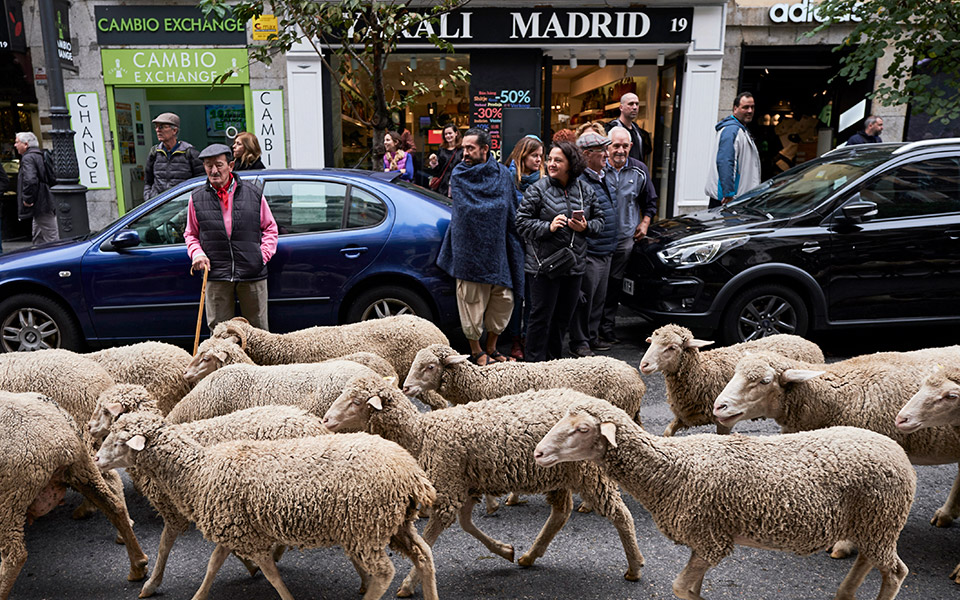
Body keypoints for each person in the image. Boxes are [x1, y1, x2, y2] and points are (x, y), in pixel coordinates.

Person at [437, 128, 525, 366]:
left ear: (485, 149)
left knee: (504, 300)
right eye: (463, 148)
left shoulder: (503, 175)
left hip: (500, 249)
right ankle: (476, 351)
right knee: (471, 303)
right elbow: (468, 211)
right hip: (470, 248)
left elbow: (509, 209)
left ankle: (492, 347)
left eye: (470, 148)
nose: (464, 153)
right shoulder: (460, 174)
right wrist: (492, 214)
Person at [517, 140, 603, 362]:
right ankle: (533, 366)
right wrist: (549, 227)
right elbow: (522, 223)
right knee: (540, 318)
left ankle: (554, 364)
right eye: (550, 159)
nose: (551, 163)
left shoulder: (586, 190)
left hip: (573, 265)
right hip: (543, 267)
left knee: (562, 319)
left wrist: (586, 227)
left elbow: (601, 222)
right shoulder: (538, 189)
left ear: (570, 164)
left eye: (558, 160)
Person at [183, 143, 278, 332]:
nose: (214, 170)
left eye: (219, 164)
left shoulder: (253, 193)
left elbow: (270, 228)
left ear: (231, 166)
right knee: (219, 332)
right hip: (216, 273)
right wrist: (197, 254)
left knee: (258, 332)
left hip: (252, 272)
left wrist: (261, 256)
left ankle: (256, 363)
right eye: (209, 166)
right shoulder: (197, 197)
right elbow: (191, 234)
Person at [598, 126, 658, 346]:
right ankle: (590, 331)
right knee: (596, 287)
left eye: (625, 146)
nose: (620, 150)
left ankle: (607, 328)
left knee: (614, 286)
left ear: (631, 147)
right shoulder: (599, 169)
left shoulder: (639, 170)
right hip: (599, 240)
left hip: (625, 239)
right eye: (616, 146)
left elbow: (650, 201)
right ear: (608, 146)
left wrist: (645, 222)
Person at [569, 130, 617, 358]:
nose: (606, 155)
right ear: (587, 155)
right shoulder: (580, 181)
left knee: (598, 298)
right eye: (602, 151)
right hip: (590, 250)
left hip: (605, 249)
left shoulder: (603, 176)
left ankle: (592, 335)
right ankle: (580, 341)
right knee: (585, 300)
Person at [503, 134, 544, 360]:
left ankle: (529, 336)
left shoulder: (544, 180)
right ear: (522, 155)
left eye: (540, 156)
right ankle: (515, 338)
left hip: (537, 245)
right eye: (534, 155)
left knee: (533, 295)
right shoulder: (509, 178)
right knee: (516, 296)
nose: (538, 160)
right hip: (516, 244)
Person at [705, 91, 761, 208]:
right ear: (735, 109)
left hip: (735, 198)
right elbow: (725, 162)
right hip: (729, 200)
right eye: (745, 107)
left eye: (752, 107)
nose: (750, 111)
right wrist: (728, 194)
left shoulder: (739, 129)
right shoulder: (732, 131)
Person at [144, 112, 204, 200]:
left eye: (161, 127)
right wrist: (148, 197)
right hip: (160, 206)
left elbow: (201, 182)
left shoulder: (189, 152)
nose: (157, 130)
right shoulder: (155, 153)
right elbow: (148, 181)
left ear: (174, 130)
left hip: (182, 205)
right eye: (156, 127)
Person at [14, 132, 57, 245]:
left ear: (26, 144)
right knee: (39, 235)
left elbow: (30, 180)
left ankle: (59, 258)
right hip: (44, 200)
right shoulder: (39, 154)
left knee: (51, 236)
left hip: (40, 202)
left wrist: (28, 199)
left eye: (17, 142)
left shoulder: (28, 158)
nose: (15, 145)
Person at [604, 93, 651, 165]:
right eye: (631, 104)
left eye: (637, 104)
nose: (635, 107)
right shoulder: (610, 129)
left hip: (636, 172)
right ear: (621, 107)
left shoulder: (638, 131)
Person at [424, 124, 462, 196]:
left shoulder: (462, 149)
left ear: (456, 133)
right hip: (443, 186)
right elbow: (437, 171)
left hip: (457, 185)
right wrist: (434, 162)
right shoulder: (441, 150)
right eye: (446, 134)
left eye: (450, 133)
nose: (448, 136)